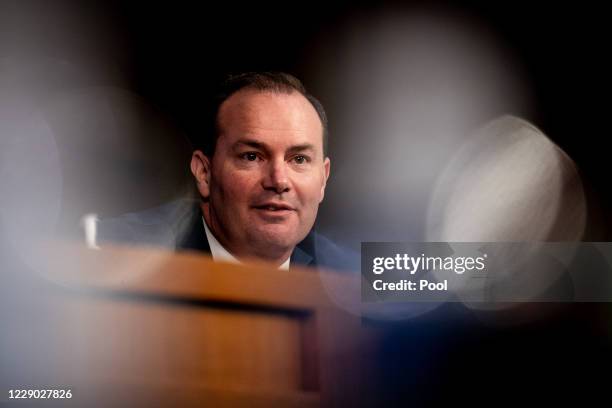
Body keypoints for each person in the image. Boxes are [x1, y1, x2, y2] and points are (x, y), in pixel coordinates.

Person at [96, 72, 356, 272]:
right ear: (204, 172)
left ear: (323, 179)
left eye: (299, 159)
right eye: (252, 156)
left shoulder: (355, 276)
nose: (279, 180)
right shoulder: (111, 254)